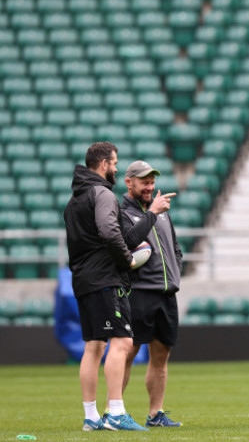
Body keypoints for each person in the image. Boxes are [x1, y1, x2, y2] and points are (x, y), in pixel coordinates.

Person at [63, 142, 148, 431]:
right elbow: (109, 231)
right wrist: (126, 260)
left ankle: (91, 416)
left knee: (94, 347)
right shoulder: (102, 194)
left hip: (83, 280)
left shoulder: (73, 200)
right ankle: (115, 412)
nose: (115, 168)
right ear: (103, 165)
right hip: (105, 280)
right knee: (122, 342)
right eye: (114, 163)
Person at [120, 160, 183, 428]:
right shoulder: (121, 211)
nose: (150, 186)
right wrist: (152, 213)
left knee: (161, 357)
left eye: (152, 181)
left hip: (166, 294)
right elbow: (126, 241)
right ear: (129, 182)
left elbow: (175, 248)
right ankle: (116, 411)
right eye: (144, 181)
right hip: (140, 294)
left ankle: (155, 414)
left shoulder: (162, 211)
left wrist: (175, 270)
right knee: (125, 355)